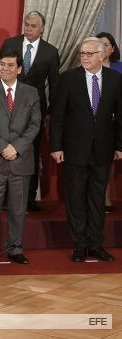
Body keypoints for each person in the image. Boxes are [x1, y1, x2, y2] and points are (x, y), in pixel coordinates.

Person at [50, 37, 122, 263]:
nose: (84, 57)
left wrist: (120, 145)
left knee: (97, 199)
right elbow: (57, 117)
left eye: (90, 54)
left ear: (102, 55)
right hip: (74, 149)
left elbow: (120, 117)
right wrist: (56, 146)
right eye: (82, 53)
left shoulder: (115, 79)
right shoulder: (68, 79)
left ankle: (96, 244)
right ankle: (80, 245)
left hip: (103, 149)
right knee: (76, 198)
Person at [0, 49, 41, 265]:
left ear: (19, 69)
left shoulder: (31, 93)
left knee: (18, 210)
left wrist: (16, 148)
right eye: (2, 64)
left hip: (20, 159)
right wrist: (3, 147)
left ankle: (15, 249)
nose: (5, 68)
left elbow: (34, 125)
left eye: (10, 65)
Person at [0, 11, 60, 212]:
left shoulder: (50, 52)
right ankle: (4, 199)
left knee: (31, 152)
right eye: (26, 25)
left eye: (33, 26)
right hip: (7, 105)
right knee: (5, 148)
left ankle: (28, 198)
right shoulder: (10, 44)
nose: (28, 29)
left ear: (42, 29)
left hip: (35, 110)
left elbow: (55, 86)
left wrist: (50, 113)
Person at [95, 32, 122, 213]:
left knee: (109, 160)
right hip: (93, 123)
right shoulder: (88, 67)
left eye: (106, 44)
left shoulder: (119, 69)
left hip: (115, 122)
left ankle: (106, 197)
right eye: (99, 44)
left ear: (112, 49)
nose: (102, 48)